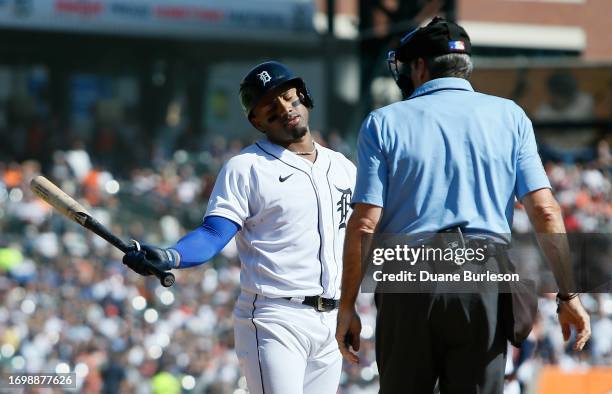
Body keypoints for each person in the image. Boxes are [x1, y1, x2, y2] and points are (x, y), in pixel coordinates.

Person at [335, 17, 591, 394]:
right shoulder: (510, 117)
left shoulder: (383, 122)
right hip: (482, 276)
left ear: (420, 66)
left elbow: (363, 225)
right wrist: (568, 294)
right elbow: (546, 210)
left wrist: (347, 305)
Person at [123, 61, 356, 394]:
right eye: (269, 107)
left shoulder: (344, 167)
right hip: (276, 317)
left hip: (331, 318)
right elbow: (214, 233)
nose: (284, 108)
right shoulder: (246, 167)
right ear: (256, 120)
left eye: (288, 97)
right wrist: (171, 255)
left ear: (302, 95)